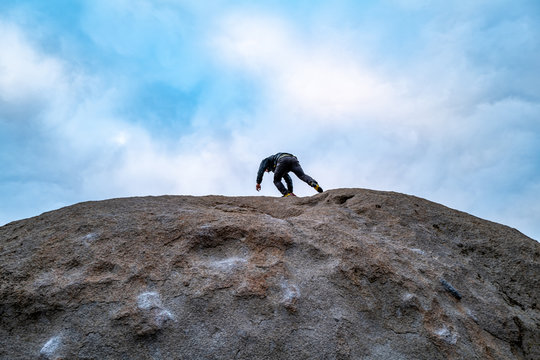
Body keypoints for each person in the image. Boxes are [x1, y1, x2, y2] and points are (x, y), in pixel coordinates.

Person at [256, 152, 323, 197]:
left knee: (276, 180)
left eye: (266, 170)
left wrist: (258, 183)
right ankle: (312, 183)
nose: (266, 171)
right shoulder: (276, 167)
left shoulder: (266, 160)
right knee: (302, 175)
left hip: (282, 160)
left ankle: (286, 194)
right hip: (293, 159)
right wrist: (291, 191)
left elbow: (260, 171)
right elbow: (288, 179)